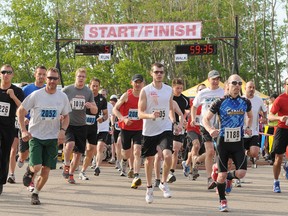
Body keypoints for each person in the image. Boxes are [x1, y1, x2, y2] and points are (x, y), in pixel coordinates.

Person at [17, 67, 71, 205]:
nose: (52, 81)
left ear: (58, 80)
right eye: (49, 78)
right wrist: (23, 130)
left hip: (52, 138)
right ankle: (29, 171)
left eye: (54, 78)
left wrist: (63, 130)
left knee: (46, 171)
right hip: (36, 136)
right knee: (37, 167)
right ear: (45, 79)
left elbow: (66, 117)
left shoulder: (62, 96)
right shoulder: (37, 95)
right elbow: (21, 111)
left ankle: (36, 193)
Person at [202, 74, 253, 212]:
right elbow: (205, 119)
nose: (237, 86)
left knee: (241, 173)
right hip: (223, 142)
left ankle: (226, 177)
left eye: (239, 83)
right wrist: (211, 129)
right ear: (227, 85)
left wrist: (248, 127)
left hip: (238, 142)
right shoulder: (220, 102)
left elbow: (250, 116)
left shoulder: (245, 102)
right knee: (222, 175)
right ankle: (223, 200)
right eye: (234, 83)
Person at [138, 62, 180, 204]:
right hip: (149, 130)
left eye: (161, 72)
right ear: (151, 73)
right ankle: (149, 188)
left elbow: (169, 107)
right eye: (156, 72)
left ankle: (163, 182)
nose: (159, 74)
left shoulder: (168, 90)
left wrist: (173, 121)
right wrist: (151, 116)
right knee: (149, 160)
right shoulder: (146, 90)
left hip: (165, 127)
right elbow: (140, 113)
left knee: (168, 155)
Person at [62, 68, 97, 184]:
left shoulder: (88, 92)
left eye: (83, 76)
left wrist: (90, 106)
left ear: (85, 78)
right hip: (69, 123)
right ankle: (66, 163)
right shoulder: (67, 90)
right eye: (79, 76)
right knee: (70, 144)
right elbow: (58, 101)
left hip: (82, 125)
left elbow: (95, 110)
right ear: (75, 77)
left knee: (78, 154)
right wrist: (60, 114)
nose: (81, 78)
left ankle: (71, 174)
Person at [191, 70, 224, 189]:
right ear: (208, 80)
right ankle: (210, 178)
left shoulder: (223, 91)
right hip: (205, 124)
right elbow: (194, 107)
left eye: (217, 79)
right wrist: (193, 118)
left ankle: (197, 160)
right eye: (213, 79)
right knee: (210, 151)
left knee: (220, 151)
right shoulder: (203, 93)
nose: (215, 81)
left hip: (220, 125)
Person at [113, 74, 144, 188]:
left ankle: (136, 175)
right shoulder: (126, 95)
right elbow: (115, 109)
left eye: (140, 82)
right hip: (126, 128)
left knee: (137, 151)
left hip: (139, 128)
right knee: (127, 152)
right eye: (136, 82)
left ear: (143, 84)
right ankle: (124, 160)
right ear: (132, 83)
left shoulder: (145, 96)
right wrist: (123, 119)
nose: (138, 84)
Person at [0, 64, 24, 195]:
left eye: (8, 72)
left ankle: (1, 181)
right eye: (3, 72)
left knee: (4, 155)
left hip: (8, 128)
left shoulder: (17, 91)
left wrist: (13, 96)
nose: (6, 74)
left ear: (12, 75)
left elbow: (23, 109)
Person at [17, 66, 47, 170]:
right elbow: (19, 106)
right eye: (39, 74)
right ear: (35, 75)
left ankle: (31, 167)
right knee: (24, 152)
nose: (41, 76)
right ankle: (21, 158)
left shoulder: (48, 90)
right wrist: (24, 117)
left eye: (44, 74)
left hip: (41, 124)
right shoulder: (26, 89)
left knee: (35, 148)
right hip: (27, 123)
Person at [79, 78, 107, 180]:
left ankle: (83, 171)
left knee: (90, 150)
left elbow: (106, 114)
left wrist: (102, 118)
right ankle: (70, 168)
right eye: (93, 86)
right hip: (80, 126)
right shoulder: (84, 95)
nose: (95, 88)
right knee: (78, 151)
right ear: (89, 85)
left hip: (93, 127)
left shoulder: (102, 99)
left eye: (97, 86)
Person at [182, 83, 206, 180]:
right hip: (191, 129)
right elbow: (183, 111)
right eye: (200, 90)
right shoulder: (192, 101)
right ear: (197, 92)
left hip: (203, 130)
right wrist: (183, 120)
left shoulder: (207, 103)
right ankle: (194, 169)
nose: (202, 92)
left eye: (204, 90)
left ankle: (187, 163)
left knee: (194, 150)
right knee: (196, 146)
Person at [268, 77, 288, 193]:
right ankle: (276, 181)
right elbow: (270, 116)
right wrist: (280, 117)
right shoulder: (280, 99)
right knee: (278, 157)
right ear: (285, 86)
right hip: (282, 129)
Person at [167, 78, 188, 183]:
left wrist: (182, 123)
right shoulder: (168, 97)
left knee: (176, 149)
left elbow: (185, 112)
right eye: (177, 88)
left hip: (179, 126)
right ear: (173, 87)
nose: (179, 90)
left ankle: (171, 171)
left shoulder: (185, 99)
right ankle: (164, 167)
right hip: (167, 125)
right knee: (166, 150)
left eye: (181, 88)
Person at [243, 81, 267, 168]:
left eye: (253, 87)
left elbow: (264, 110)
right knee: (238, 154)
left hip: (254, 130)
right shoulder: (241, 99)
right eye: (250, 87)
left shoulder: (259, 99)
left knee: (254, 153)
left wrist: (265, 118)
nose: (252, 89)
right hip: (242, 130)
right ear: (245, 88)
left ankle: (247, 153)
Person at [93, 88, 111, 176]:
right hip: (93, 128)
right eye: (101, 94)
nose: (102, 96)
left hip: (104, 129)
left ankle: (97, 166)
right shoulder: (94, 103)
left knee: (100, 147)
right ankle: (94, 159)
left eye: (104, 95)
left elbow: (112, 116)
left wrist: (111, 126)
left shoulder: (110, 105)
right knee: (93, 148)